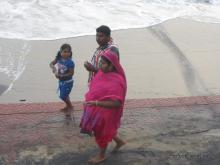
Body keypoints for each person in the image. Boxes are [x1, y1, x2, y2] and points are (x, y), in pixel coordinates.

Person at [80, 50, 127, 164]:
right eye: (100, 62)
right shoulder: (102, 72)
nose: (101, 65)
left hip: (107, 111)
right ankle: (119, 142)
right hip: (96, 106)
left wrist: (97, 103)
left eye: (104, 63)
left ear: (112, 65)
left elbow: (117, 103)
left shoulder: (117, 80)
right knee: (107, 129)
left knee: (101, 132)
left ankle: (101, 155)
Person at [50, 44, 75, 115]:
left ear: (70, 53)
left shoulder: (70, 62)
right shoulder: (58, 59)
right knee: (65, 95)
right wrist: (54, 69)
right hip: (61, 81)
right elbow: (51, 63)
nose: (66, 53)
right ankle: (67, 106)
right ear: (60, 52)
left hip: (68, 82)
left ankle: (70, 106)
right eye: (64, 52)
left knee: (63, 96)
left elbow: (71, 73)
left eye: (68, 52)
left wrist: (61, 76)